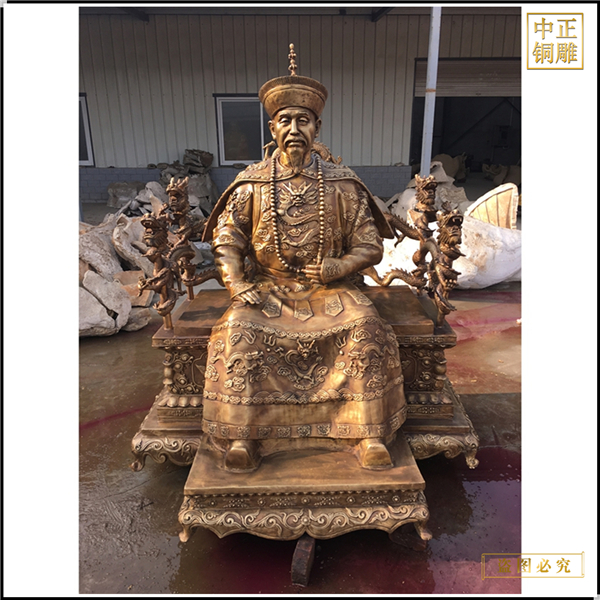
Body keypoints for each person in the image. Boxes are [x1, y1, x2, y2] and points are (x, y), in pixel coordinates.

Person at [202, 46, 407, 472]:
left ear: (317, 127)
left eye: (303, 121)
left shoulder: (343, 184)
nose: (294, 129)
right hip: (268, 288)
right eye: (286, 121)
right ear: (272, 127)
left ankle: (368, 433)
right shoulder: (252, 184)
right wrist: (236, 282)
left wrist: (340, 266)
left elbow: (370, 244)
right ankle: (244, 436)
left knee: (365, 326)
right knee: (239, 329)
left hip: (331, 289)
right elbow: (226, 237)